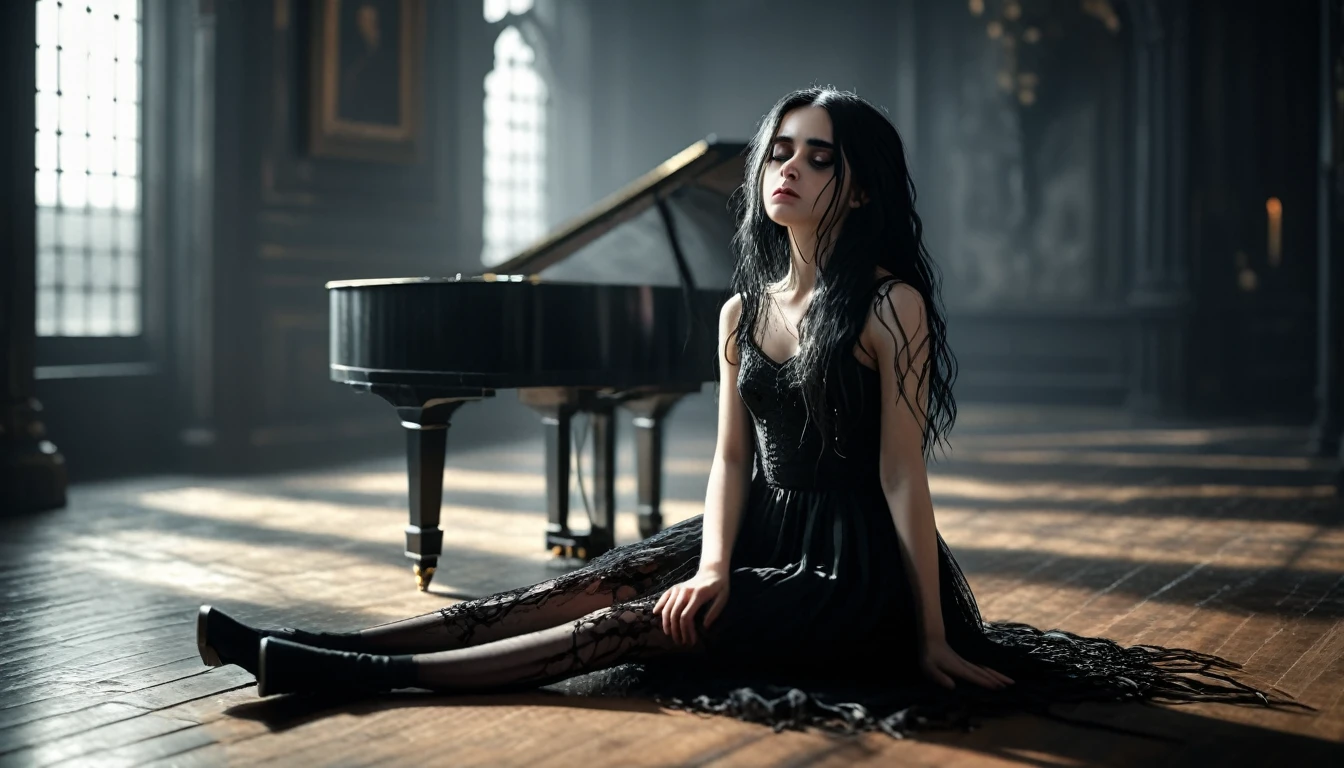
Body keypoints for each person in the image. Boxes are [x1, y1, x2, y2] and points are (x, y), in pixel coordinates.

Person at [196, 87, 1300, 736]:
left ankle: (364, 679)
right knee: (580, 581)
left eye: (819, 157)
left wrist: (926, 634)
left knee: (618, 627)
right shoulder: (739, 309)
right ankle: (318, 643)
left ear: (855, 186)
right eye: (781, 150)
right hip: (759, 527)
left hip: (848, 566)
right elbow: (728, 462)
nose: (791, 167)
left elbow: (906, 479)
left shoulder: (890, 303)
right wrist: (715, 562)